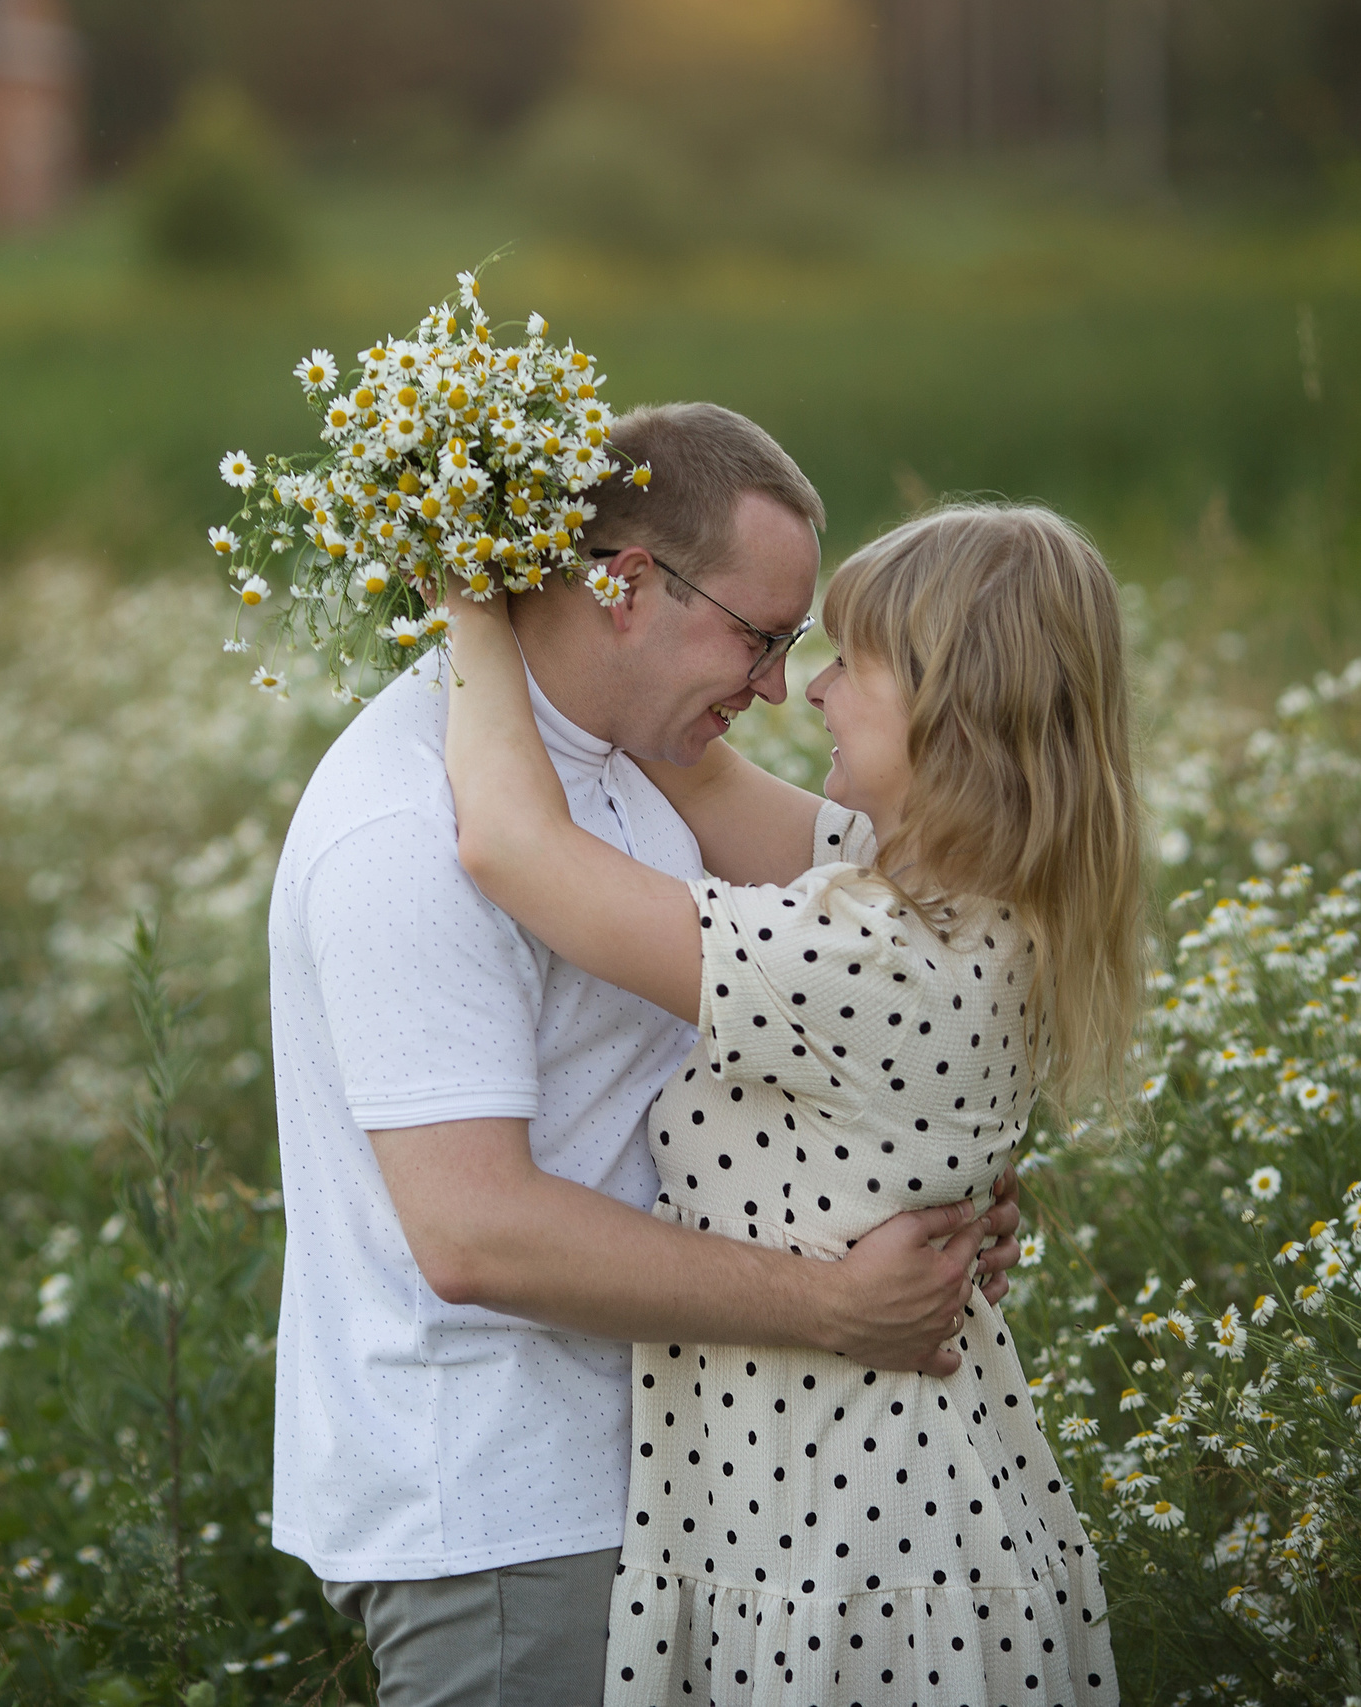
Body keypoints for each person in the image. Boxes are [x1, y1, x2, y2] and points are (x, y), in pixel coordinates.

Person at [267, 404, 1023, 1707]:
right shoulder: (405, 823)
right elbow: (475, 1235)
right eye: (761, 636)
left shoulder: (634, 758)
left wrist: (920, 1192)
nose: (786, 685)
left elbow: (875, 981)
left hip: (682, 1483)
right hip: (515, 1508)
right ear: (622, 583)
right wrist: (839, 1300)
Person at [442, 501, 1140, 1707]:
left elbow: (511, 847)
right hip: (855, 1499)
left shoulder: (875, 956)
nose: (803, 692)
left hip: (853, 1542)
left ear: (948, 706)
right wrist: (587, 594)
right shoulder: (952, 902)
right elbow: (689, 764)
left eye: (847, 663)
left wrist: (463, 592)